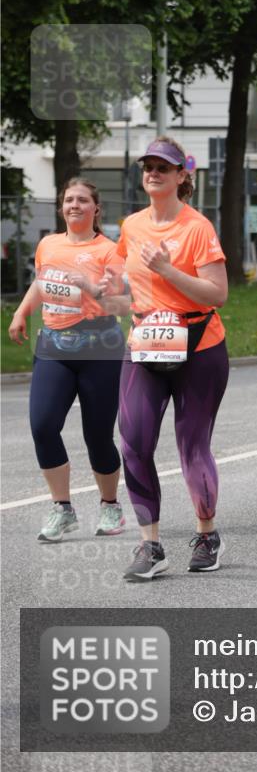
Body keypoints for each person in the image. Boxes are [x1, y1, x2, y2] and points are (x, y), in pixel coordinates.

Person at [102, 136, 229, 581]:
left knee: (191, 445)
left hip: (200, 344)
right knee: (133, 441)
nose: (153, 172)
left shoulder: (197, 228)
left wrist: (168, 269)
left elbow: (219, 294)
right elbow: (122, 281)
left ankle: (207, 533)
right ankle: (150, 544)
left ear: (181, 176)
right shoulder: (132, 226)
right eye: (148, 166)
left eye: (163, 166)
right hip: (146, 341)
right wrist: (106, 292)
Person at [8, 179, 128, 542]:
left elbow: (120, 304)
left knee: (97, 435)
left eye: (82, 200)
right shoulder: (48, 244)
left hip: (99, 350)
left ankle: (109, 504)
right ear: (62, 207)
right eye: (68, 200)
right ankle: (62, 509)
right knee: (43, 426)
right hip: (53, 347)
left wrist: (88, 285)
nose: (74, 205)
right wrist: (21, 311)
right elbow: (42, 282)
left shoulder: (109, 250)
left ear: (96, 208)